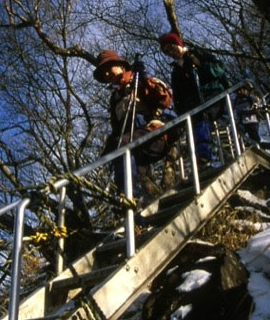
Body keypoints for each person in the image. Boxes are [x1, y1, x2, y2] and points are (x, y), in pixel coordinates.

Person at [93, 49, 175, 200]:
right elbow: (116, 128)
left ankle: (126, 196)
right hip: (132, 145)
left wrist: (144, 79)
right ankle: (136, 217)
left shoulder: (138, 81)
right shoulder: (116, 98)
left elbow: (164, 99)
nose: (106, 75)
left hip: (153, 135)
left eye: (108, 68)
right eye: (102, 73)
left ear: (121, 66)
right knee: (142, 180)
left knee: (122, 145)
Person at [158, 32, 229, 167]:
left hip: (211, 95)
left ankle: (204, 156)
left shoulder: (198, 54)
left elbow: (218, 70)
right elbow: (178, 95)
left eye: (172, 48)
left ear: (179, 44)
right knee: (192, 124)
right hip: (193, 105)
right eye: (167, 52)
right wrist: (180, 112)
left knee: (200, 120)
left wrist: (199, 64)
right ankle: (200, 159)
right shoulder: (176, 71)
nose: (171, 53)